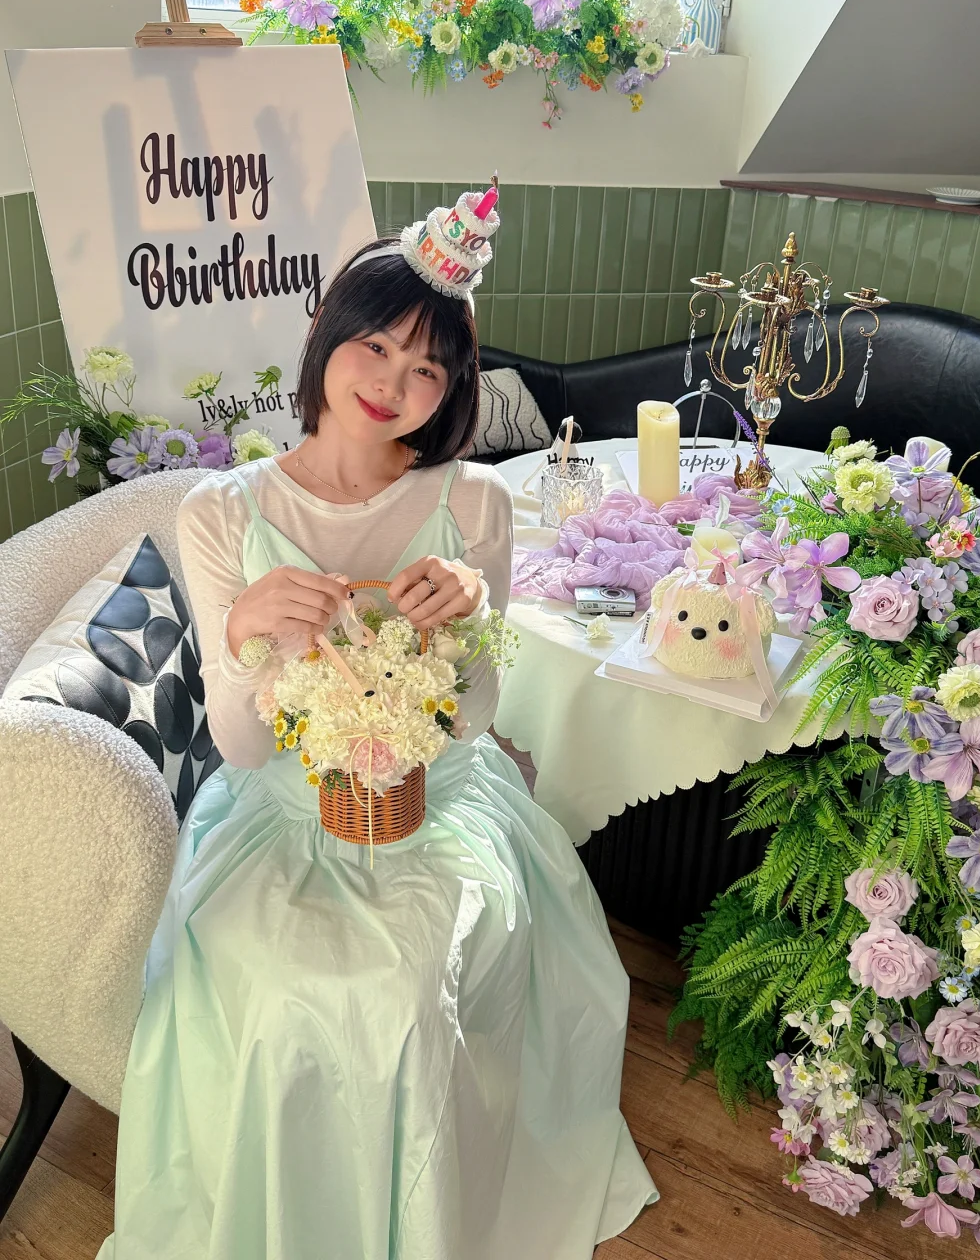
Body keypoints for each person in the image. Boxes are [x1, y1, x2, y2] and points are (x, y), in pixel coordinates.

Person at [97, 188, 658, 1260]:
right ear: (326, 334)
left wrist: (473, 618)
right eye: (376, 347)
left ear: (452, 388)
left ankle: (439, 1213)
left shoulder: (474, 502)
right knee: (284, 996)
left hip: (438, 804)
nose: (393, 385)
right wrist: (246, 632)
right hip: (277, 812)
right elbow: (245, 750)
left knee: (413, 990)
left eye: (428, 369)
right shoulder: (222, 512)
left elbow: (472, 725)